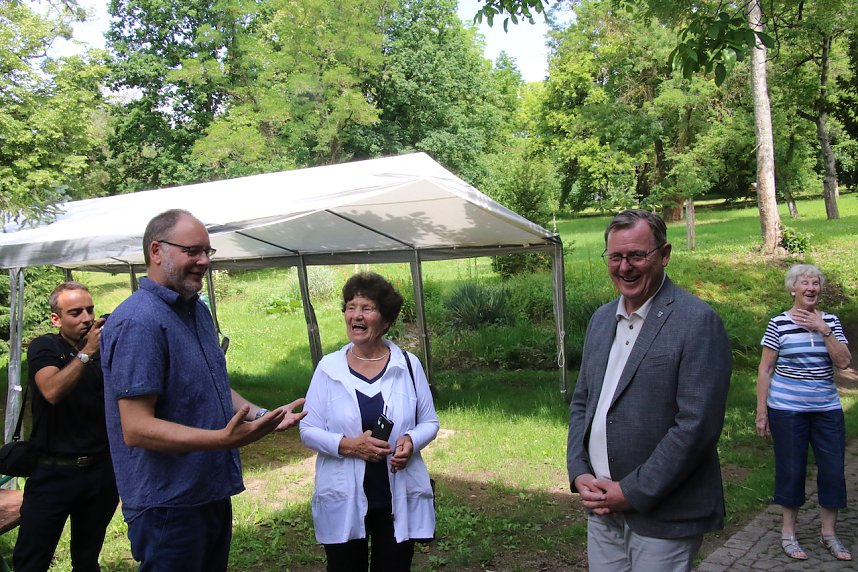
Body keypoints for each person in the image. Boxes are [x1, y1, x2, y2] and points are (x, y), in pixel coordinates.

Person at [100, 209, 307, 571]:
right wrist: (222, 440)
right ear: (156, 251)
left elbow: (212, 387)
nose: (204, 261)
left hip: (207, 492)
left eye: (208, 252)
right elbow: (135, 428)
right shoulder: (139, 321)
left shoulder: (196, 311)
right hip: (168, 505)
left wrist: (263, 415)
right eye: (193, 251)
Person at [567, 209, 732, 572]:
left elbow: (696, 426)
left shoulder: (697, 322)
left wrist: (631, 492)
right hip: (601, 506)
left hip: (664, 516)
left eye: (637, 255)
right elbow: (582, 403)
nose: (625, 267)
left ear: (665, 254)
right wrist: (579, 472)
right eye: (616, 256)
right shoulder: (600, 320)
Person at [300, 272, 439, 572]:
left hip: (395, 496)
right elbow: (307, 429)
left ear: (386, 320)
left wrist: (412, 441)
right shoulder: (328, 368)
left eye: (367, 308)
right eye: (351, 307)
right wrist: (349, 446)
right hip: (344, 497)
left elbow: (429, 421)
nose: (356, 315)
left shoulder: (408, 365)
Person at [13, 282, 119, 572]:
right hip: (53, 473)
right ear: (56, 319)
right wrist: (86, 353)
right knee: (31, 561)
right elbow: (51, 391)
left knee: (86, 561)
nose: (86, 318)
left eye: (90, 310)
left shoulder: (105, 350)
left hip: (100, 472)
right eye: (75, 312)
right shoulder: (46, 346)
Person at [756, 264, 852, 561]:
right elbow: (765, 368)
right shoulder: (778, 323)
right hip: (787, 409)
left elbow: (845, 362)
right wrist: (762, 411)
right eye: (804, 283)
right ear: (792, 289)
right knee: (792, 468)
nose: (811, 287)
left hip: (827, 408)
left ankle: (829, 535)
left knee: (834, 470)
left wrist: (823, 331)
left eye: (815, 283)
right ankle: (788, 533)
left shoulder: (831, 322)